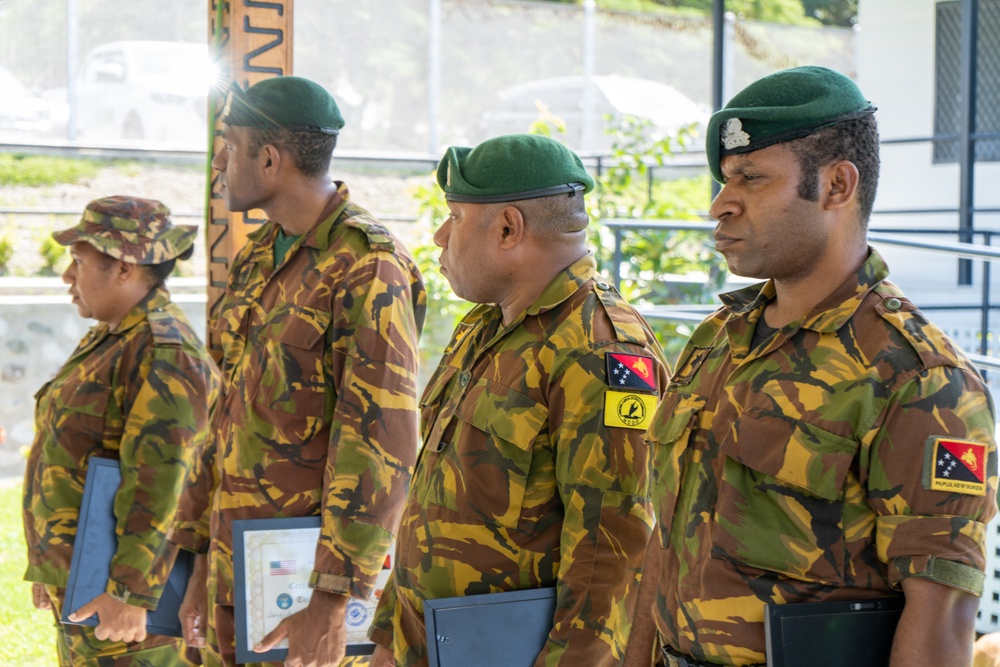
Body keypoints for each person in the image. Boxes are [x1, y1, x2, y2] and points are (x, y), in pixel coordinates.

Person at [623, 65, 999, 667]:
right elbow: (664, 546)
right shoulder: (717, 341)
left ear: (837, 186)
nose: (721, 205)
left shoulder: (919, 380)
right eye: (724, 180)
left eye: (751, 178)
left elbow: (939, 620)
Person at [367, 133, 670, 666]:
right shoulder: (484, 327)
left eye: (454, 218)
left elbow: (612, 555)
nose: (439, 236)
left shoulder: (599, 350)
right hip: (432, 643)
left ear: (508, 228)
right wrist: (391, 638)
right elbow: (430, 505)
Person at [170, 76, 426, 667]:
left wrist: (332, 600)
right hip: (234, 570)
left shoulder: (369, 266)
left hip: (304, 587)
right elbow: (224, 417)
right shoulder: (262, 255)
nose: (218, 163)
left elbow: (380, 443)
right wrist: (202, 562)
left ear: (269, 158)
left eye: (228, 146)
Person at [22, 196, 221, 666]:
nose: (68, 275)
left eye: (79, 261)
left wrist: (132, 594)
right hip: (87, 582)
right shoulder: (112, 335)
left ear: (125, 268)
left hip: (125, 604)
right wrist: (51, 564)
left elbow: (164, 485)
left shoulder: (164, 352)